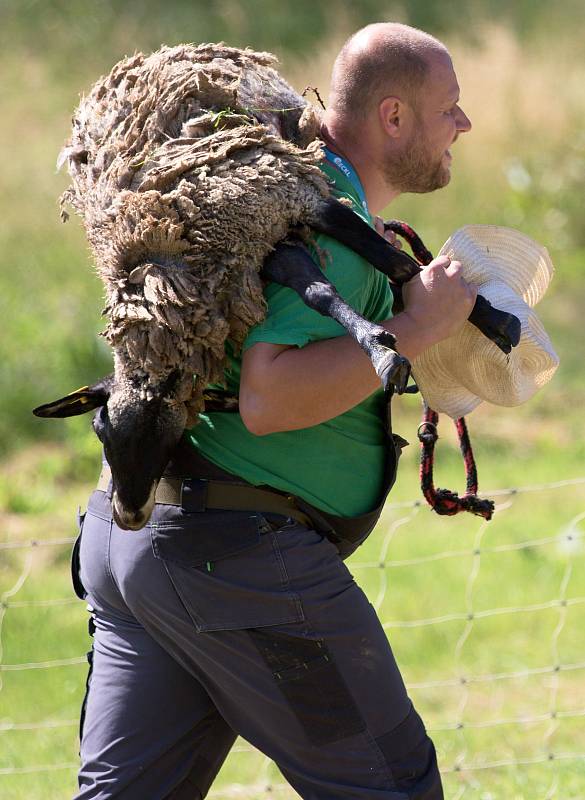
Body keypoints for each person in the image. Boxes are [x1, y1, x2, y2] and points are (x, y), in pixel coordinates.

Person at [73, 22, 475, 800]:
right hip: (240, 568)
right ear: (392, 117)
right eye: (449, 107)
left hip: (137, 542)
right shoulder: (327, 228)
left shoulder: (290, 189)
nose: (464, 124)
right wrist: (418, 326)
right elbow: (269, 396)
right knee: (389, 787)